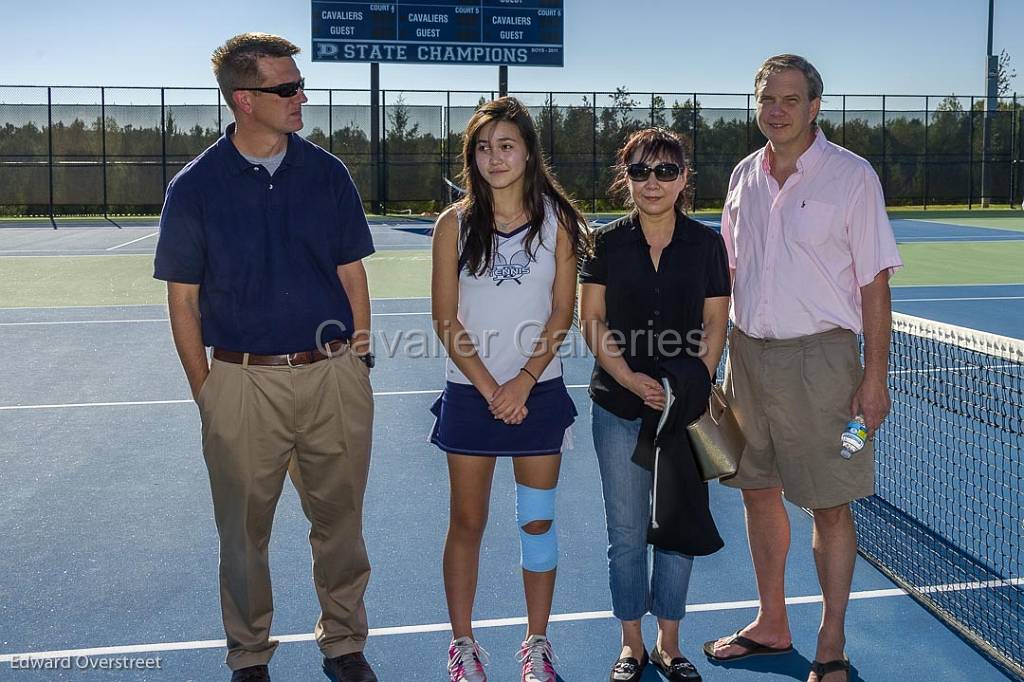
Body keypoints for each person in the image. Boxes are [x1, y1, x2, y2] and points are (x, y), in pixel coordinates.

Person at [154, 33, 378, 682]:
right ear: (245, 100)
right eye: (288, 88)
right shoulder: (194, 188)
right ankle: (249, 655)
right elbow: (183, 302)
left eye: (299, 84)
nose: (301, 96)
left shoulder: (328, 173)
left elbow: (353, 277)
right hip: (240, 384)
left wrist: (357, 362)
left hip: (333, 378)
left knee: (341, 525)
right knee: (243, 537)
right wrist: (210, 391)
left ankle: (344, 643)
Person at [703, 54, 903, 682]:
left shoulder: (852, 176)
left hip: (822, 362)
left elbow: (874, 283)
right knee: (757, 493)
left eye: (791, 98)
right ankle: (772, 622)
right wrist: (709, 363)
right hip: (747, 358)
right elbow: (726, 278)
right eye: (768, 98)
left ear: (815, 106)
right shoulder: (742, 177)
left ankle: (832, 642)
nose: (778, 109)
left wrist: (874, 377)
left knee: (829, 506)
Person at [429, 96, 590, 682]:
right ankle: (464, 646)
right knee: (467, 522)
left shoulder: (558, 222)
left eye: (506, 145)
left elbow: (561, 312)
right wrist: (492, 386)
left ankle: (537, 643)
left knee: (537, 522)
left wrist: (522, 383)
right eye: (482, 146)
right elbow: (446, 319)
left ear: (527, 152)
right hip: (471, 395)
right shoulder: (453, 224)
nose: (494, 158)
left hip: (538, 396)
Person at [579, 127, 731, 682]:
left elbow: (717, 322)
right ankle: (632, 645)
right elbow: (590, 320)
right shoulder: (605, 243)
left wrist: (688, 382)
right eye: (641, 171)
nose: (652, 182)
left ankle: (670, 642)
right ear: (627, 178)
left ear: (684, 178)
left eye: (665, 171)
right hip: (618, 408)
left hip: (682, 409)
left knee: (674, 522)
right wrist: (630, 376)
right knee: (625, 531)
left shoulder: (707, 245)